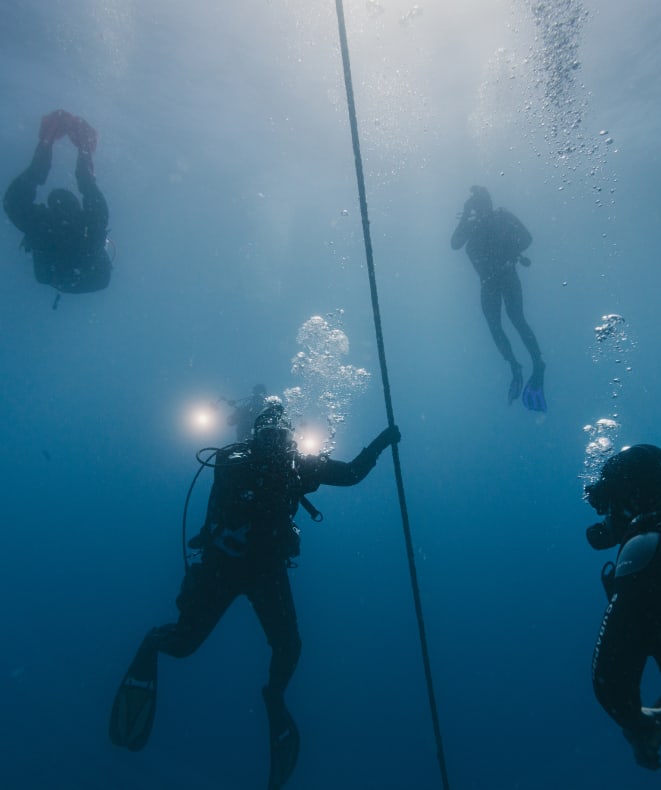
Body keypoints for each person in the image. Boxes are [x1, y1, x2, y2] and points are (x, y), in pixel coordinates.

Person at [110, 396, 400, 789]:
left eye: (282, 436)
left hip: (267, 572)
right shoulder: (234, 460)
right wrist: (270, 458)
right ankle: (151, 644)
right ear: (255, 437)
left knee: (290, 646)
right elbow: (231, 477)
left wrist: (381, 442)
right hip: (223, 567)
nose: (275, 443)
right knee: (183, 644)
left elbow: (349, 474)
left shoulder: (297, 466)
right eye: (268, 435)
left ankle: (274, 697)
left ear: (290, 440)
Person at [585, 443, 661, 788]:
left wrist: (636, 721)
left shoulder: (644, 548)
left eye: (607, 506)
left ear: (629, 501)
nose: (605, 521)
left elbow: (610, 681)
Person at [450, 185, 546, 411]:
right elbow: (454, 244)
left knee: (516, 319)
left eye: (482, 202)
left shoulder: (502, 216)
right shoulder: (471, 225)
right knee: (495, 326)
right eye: (477, 204)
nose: (481, 207)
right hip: (488, 282)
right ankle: (514, 365)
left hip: (506, 275)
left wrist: (510, 255)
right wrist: (465, 214)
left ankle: (538, 363)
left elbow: (527, 238)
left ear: (489, 203)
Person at [3, 109, 111, 300]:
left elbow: (13, 201)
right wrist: (84, 150)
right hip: (81, 272)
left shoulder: (44, 225)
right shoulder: (88, 228)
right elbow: (88, 185)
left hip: (67, 272)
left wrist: (46, 143)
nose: (64, 214)